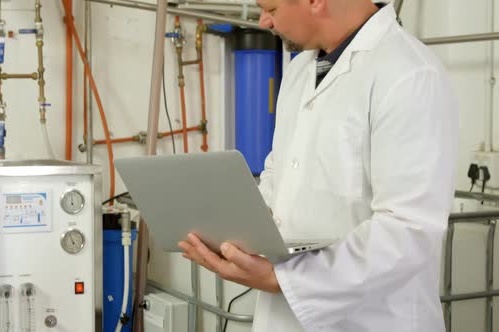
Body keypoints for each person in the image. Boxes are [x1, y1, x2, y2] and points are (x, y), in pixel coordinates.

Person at [178, 0, 458, 331]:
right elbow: (279, 175)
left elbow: (408, 230)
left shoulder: (408, 73)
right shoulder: (300, 70)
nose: (264, 22)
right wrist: (235, 233)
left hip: (373, 320)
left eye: (271, 8)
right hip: (286, 316)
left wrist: (283, 279)